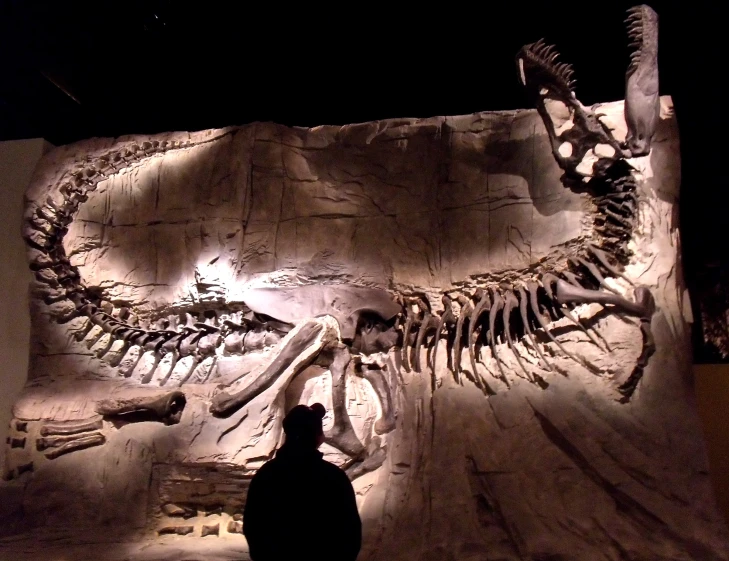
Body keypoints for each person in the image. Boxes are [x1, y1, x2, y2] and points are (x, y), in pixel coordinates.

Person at [243, 403, 362, 561]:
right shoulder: (333, 478)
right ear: (318, 436)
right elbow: (350, 534)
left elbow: (253, 528)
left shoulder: (266, 476)